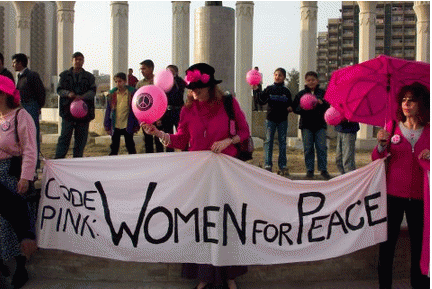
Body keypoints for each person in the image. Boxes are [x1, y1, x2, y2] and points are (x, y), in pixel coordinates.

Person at [142, 63, 250, 289]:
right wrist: (160, 133)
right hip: (198, 175)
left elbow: (244, 132)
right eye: (191, 88)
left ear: (211, 86)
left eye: (199, 87)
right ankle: (204, 276)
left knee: (225, 221)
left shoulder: (228, 104)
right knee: (201, 223)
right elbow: (182, 140)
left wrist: (228, 141)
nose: (194, 91)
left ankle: (230, 275)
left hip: (226, 173)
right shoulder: (187, 110)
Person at [372, 82, 430, 289]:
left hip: (421, 198)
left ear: (422, 103)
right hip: (393, 196)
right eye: (404, 99)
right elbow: (376, 158)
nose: (407, 103)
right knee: (386, 248)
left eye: (412, 99)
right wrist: (380, 144)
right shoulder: (392, 127)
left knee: (420, 248)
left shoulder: (430, 131)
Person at [0, 75, 38, 288]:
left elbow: (30, 149)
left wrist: (25, 177)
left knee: (11, 223)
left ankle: (20, 266)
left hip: (12, 175)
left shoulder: (21, 116)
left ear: (4, 94)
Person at [54, 52, 96, 159]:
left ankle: (77, 161)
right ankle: (59, 160)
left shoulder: (89, 77)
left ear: (83, 61)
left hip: (84, 113)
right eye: (76, 59)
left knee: (81, 139)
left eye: (80, 59)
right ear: (72, 60)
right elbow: (59, 90)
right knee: (64, 137)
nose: (78, 61)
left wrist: (82, 97)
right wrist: (68, 94)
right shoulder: (64, 76)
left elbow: (93, 91)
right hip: (67, 113)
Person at [253, 68, 292, 175]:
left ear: (284, 77)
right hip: (270, 120)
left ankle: (283, 165)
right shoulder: (269, 89)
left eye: (280, 75)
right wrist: (256, 89)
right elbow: (261, 100)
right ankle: (268, 164)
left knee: (282, 142)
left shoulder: (286, 91)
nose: (277, 77)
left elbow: (290, 104)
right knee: (268, 141)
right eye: (275, 75)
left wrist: (290, 107)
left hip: (283, 120)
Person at [293, 71, 331, 180]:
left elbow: (328, 107)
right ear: (305, 81)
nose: (311, 82)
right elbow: (295, 108)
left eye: (313, 80)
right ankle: (309, 170)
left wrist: (321, 103)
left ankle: (323, 170)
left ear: (317, 81)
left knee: (322, 148)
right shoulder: (301, 94)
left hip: (320, 125)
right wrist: (302, 108)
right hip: (306, 125)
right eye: (308, 80)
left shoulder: (323, 93)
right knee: (308, 148)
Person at [12, 53, 46, 169]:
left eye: (15, 62)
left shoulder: (32, 75)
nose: (13, 65)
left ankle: (35, 164)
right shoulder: (20, 77)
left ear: (21, 63)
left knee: (32, 135)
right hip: (22, 107)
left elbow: (41, 92)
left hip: (31, 106)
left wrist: (37, 107)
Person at [104, 72, 139, 155]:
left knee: (130, 145)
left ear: (125, 81)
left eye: (120, 81)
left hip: (128, 124)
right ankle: (112, 165)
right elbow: (108, 111)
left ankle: (133, 163)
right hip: (116, 124)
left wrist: (136, 124)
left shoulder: (132, 93)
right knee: (114, 147)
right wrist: (107, 125)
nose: (117, 84)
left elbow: (135, 110)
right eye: (116, 82)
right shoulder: (112, 95)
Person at [135, 59, 163, 153]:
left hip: (158, 115)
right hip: (145, 117)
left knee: (158, 140)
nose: (142, 71)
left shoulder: (158, 81)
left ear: (151, 69)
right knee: (147, 140)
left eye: (144, 68)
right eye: (141, 69)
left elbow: (162, 98)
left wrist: (160, 117)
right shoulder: (139, 84)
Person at [161, 64, 186, 152]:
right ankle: (169, 151)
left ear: (176, 72)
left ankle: (184, 151)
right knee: (168, 133)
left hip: (178, 110)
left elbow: (181, 89)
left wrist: (173, 80)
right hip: (167, 111)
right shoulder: (163, 82)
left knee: (182, 132)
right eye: (167, 71)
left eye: (171, 71)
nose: (169, 73)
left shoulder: (179, 81)